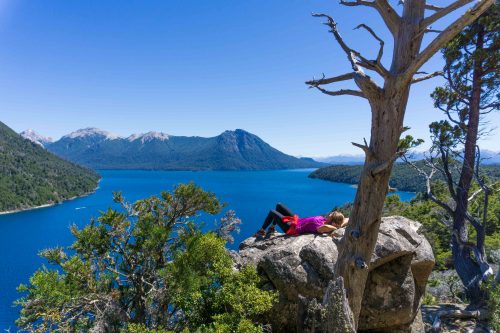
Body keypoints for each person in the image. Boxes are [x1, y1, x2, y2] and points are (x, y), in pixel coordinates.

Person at [253, 203, 348, 237]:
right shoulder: (324, 219)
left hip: (292, 228)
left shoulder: (321, 227)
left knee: (272, 212)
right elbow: (347, 219)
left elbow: (326, 227)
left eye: (332, 215)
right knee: (279, 205)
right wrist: (340, 224)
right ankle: (272, 228)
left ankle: (261, 231)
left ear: (333, 222)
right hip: (296, 220)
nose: (331, 213)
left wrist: (336, 227)